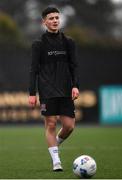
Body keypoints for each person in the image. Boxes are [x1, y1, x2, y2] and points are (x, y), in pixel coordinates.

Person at [28, 6, 79, 171]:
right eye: (51, 18)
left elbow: (74, 66)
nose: (55, 20)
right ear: (44, 22)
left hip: (65, 90)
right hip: (47, 90)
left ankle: (55, 144)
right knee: (50, 124)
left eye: (57, 17)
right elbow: (33, 70)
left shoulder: (68, 42)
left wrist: (75, 86)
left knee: (69, 126)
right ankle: (56, 161)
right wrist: (31, 93)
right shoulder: (38, 44)